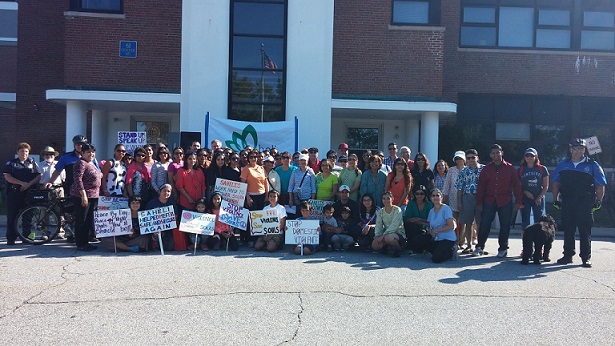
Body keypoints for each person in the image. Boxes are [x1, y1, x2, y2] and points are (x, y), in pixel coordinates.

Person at [552, 138, 607, 268]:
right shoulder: (563, 164)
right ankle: (567, 255)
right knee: (568, 229)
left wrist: (598, 201)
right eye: (575, 148)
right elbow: (555, 183)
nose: (578, 151)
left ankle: (585, 258)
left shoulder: (593, 165)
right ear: (571, 149)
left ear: (585, 150)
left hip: (585, 202)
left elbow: (600, 185)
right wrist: (555, 199)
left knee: (584, 230)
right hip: (568, 201)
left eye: (581, 148)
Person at [473, 144, 522, 258]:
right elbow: (481, 187)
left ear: (502, 153)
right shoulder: (486, 169)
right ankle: (480, 246)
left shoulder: (510, 168)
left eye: (497, 152)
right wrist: (479, 202)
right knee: (485, 223)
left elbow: (517, 185)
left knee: (505, 226)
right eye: (493, 153)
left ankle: (503, 248)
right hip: (489, 200)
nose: (496, 155)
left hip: (505, 200)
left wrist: (518, 201)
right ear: (490, 155)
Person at [3, 142, 41, 245]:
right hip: (14, 193)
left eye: (26, 151)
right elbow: (7, 177)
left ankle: (26, 237)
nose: (24, 153)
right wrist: (21, 183)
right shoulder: (11, 163)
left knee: (28, 216)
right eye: (22, 151)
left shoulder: (32, 163)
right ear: (17, 152)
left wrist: (29, 184)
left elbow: (38, 176)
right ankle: (11, 239)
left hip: (28, 193)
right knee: (12, 216)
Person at [70, 143, 102, 252]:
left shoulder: (91, 163)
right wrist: (83, 195)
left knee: (88, 220)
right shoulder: (81, 163)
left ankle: (85, 242)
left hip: (93, 195)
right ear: (82, 153)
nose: (91, 154)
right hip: (83, 196)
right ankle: (80, 244)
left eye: (93, 152)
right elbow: (78, 179)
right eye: (88, 152)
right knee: (81, 220)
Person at [455, 149, 482, 254]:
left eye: (473, 157)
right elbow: (459, 188)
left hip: (480, 198)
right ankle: (469, 245)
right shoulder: (463, 171)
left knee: (480, 222)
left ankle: (480, 245)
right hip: (467, 197)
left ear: (477, 157)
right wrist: (460, 202)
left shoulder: (483, 169)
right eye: (468, 158)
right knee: (468, 222)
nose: (471, 160)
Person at [241, 149, 269, 246]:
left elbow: (265, 182)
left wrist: (267, 195)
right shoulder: (246, 169)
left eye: (255, 157)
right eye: (251, 157)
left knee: (260, 218)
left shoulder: (261, 168)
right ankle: (250, 239)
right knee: (251, 218)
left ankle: (259, 238)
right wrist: (247, 197)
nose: (253, 159)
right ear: (248, 159)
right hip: (251, 196)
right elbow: (242, 184)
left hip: (261, 196)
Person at [518, 147, 549, 230]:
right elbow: (517, 186)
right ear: (524, 157)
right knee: (525, 221)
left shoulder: (542, 169)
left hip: (538, 197)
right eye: (527, 156)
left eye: (531, 156)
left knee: (539, 221)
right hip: (525, 198)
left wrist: (539, 197)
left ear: (536, 156)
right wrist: (525, 192)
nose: (529, 158)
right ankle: (525, 241)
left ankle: (538, 240)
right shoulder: (521, 169)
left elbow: (546, 186)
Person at [426, 188, 458, 263]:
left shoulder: (446, 208)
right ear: (430, 198)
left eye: (437, 195)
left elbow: (451, 226)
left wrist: (436, 230)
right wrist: (429, 231)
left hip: (447, 239)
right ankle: (437, 251)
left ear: (441, 197)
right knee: (419, 240)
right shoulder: (431, 211)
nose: (435, 197)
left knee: (436, 259)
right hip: (436, 239)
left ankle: (451, 251)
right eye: (433, 196)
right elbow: (429, 225)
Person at [371, 191, 406, 257]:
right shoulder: (380, 211)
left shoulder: (397, 210)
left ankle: (399, 249)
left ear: (392, 199)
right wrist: (377, 236)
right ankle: (388, 248)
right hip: (385, 235)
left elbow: (394, 226)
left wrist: (383, 236)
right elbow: (378, 225)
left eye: (388, 198)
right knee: (374, 245)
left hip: (398, 235)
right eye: (384, 198)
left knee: (389, 238)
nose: (386, 200)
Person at [146, 184, 179, 251]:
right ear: (160, 192)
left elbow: (175, 216)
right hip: (155, 228)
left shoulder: (172, 203)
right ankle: (154, 242)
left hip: (168, 228)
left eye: (168, 191)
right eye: (164, 191)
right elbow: (146, 217)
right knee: (156, 236)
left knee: (169, 247)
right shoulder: (152, 203)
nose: (166, 193)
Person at [442, 151, 465, 246]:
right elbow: (447, 185)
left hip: (465, 198)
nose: (458, 160)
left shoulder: (467, 170)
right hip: (452, 198)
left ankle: (462, 241)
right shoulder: (451, 170)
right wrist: (445, 198)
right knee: (453, 220)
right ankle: (454, 240)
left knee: (463, 221)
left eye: (460, 158)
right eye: (457, 158)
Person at [404, 184, 433, 254]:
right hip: (413, 228)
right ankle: (410, 247)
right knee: (411, 226)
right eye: (417, 194)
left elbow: (430, 221)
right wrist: (422, 221)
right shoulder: (411, 203)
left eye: (422, 194)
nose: (419, 196)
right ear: (414, 194)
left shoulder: (429, 204)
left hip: (425, 228)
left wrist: (418, 220)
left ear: (425, 194)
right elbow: (407, 219)